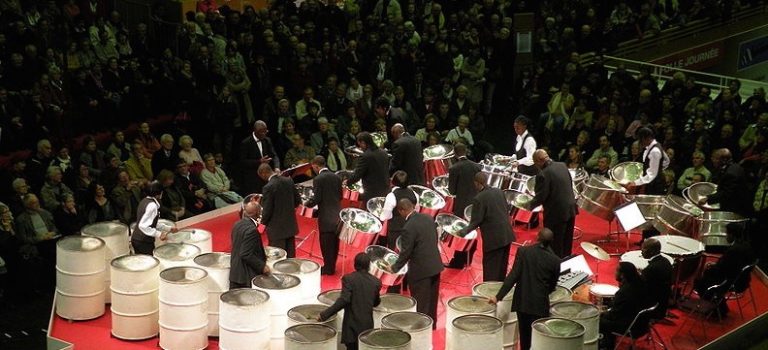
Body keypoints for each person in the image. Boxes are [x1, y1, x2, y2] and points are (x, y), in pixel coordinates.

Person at [490, 228, 560, 350]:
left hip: (523, 303)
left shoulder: (524, 252)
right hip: (540, 305)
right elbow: (552, 285)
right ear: (552, 241)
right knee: (539, 340)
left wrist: (498, 297)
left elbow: (513, 276)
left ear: (537, 237)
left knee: (525, 338)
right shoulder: (555, 261)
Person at [390, 198, 444, 327]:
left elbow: (406, 252)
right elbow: (435, 239)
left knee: (421, 302)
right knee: (432, 299)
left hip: (421, 270)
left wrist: (395, 267)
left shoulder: (408, 227)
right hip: (435, 265)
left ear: (402, 211)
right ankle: (432, 325)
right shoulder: (428, 218)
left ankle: (422, 329)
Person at [318, 253, 382, 350]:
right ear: (369, 265)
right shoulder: (376, 282)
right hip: (367, 327)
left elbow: (344, 300)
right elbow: (376, 302)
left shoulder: (348, 279)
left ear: (355, 264)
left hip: (351, 327)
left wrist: (324, 315)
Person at [460, 172, 516, 281]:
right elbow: (506, 209)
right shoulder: (499, 191)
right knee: (502, 266)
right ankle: (499, 288)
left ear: (477, 183)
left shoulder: (479, 198)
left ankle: (489, 291)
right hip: (507, 234)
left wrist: (462, 232)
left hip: (494, 239)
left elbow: (476, 221)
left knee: (491, 268)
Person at [693, 222, 756, 314]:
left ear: (732, 235)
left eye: (727, 234)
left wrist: (709, 269)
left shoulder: (733, 251)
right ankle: (719, 306)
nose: (726, 236)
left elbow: (721, 270)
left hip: (732, 281)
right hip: (743, 279)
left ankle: (719, 309)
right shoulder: (747, 246)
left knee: (699, 283)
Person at [528, 149, 577, 258]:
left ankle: (555, 269)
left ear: (539, 161)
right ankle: (565, 267)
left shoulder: (543, 174)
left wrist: (528, 205)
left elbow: (541, 196)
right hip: (570, 209)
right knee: (567, 243)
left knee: (556, 245)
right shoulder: (562, 165)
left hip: (556, 213)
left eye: (536, 164)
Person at [626, 127, 669, 242]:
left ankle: (651, 241)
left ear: (647, 138)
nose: (640, 143)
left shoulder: (655, 151)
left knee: (653, 212)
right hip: (653, 183)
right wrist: (660, 169)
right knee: (647, 210)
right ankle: (645, 239)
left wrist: (635, 182)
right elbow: (666, 160)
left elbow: (651, 175)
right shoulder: (654, 147)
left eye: (641, 140)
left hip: (655, 185)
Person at [445, 143, 481, 268]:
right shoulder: (477, 166)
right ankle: (468, 258)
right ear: (466, 151)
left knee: (461, 232)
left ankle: (458, 261)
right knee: (473, 230)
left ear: (454, 153)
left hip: (462, 205)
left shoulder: (454, 168)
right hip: (475, 204)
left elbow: (452, 191)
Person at [599, 262, 648, 350]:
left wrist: (602, 313)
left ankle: (606, 346)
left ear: (622, 275)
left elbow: (614, 315)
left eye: (617, 271)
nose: (615, 273)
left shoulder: (624, 292)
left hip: (631, 327)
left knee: (599, 321)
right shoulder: (641, 283)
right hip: (644, 324)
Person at [306, 156, 342, 275]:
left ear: (316, 165)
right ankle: (332, 266)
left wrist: (307, 203)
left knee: (326, 243)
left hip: (326, 216)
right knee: (335, 242)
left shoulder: (318, 179)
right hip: (337, 215)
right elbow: (340, 196)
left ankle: (328, 268)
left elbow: (317, 198)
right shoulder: (336, 177)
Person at [258, 164, 301, 257]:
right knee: (291, 258)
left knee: (278, 260)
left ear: (264, 173)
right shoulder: (289, 180)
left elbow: (267, 210)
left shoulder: (268, 187)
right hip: (290, 226)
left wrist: (261, 226)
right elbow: (298, 201)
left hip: (276, 229)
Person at [229, 201, 269, 289]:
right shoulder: (252, 230)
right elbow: (245, 254)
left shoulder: (237, 224)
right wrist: (262, 266)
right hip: (245, 276)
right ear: (258, 213)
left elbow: (238, 246)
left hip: (235, 272)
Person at [700, 148, 752, 216]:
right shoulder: (731, 167)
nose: (712, 160)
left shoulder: (731, 173)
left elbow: (726, 193)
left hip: (736, 209)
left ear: (723, 160)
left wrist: (708, 198)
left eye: (715, 158)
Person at [131, 181, 177, 255]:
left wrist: (168, 228)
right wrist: (159, 234)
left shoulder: (144, 200)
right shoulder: (152, 206)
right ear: (159, 193)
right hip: (143, 242)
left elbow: (152, 223)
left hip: (138, 239)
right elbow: (143, 225)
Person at [347, 132, 390, 203]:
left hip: (372, 192)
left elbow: (357, 175)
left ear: (363, 142)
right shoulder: (383, 152)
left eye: (360, 144)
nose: (360, 147)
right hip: (385, 189)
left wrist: (347, 182)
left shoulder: (365, 156)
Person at [240, 120, 280, 194]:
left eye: (266, 131)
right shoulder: (246, 143)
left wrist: (277, 167)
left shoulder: (267, 140)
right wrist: (259, 161)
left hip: (268, 176)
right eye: (262, 132)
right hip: (254, 178)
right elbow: (243, 162)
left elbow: (274, 156)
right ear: (255, 131)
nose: (265, 134)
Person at [640, 238, 673, 320]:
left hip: (652, 307)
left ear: (652, 251)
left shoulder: (651, 269)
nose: (641, 252)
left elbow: (640, 288)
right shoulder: (666, 261)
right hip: (662, 305)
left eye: (643, 249)